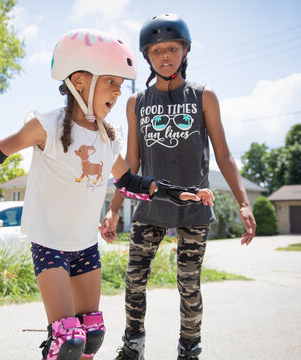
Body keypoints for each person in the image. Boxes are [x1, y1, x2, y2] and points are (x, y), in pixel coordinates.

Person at [0, 28, 214, 360]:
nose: (117, 92)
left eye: (120, 85)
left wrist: (176, 193)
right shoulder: (47, 125)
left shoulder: (106, 137)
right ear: (81, 80)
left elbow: (128, 181)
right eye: (111, 82)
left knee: (93, 335)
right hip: (50, 244)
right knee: (67, 341)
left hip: (85, 246)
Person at [101, 14, 257, 360]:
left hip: (194, 208)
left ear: (185, 51)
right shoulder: (136, 103)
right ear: (148, 56)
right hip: (150, 207)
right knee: (134, 281)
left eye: (172, 48)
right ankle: (133, 345)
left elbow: (224, 154)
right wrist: (113, 211)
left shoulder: (204, 96)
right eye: (157, 50)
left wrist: (244, 203)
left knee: (188, 285)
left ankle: (189, 350)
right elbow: (130, 164)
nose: (165, 56)